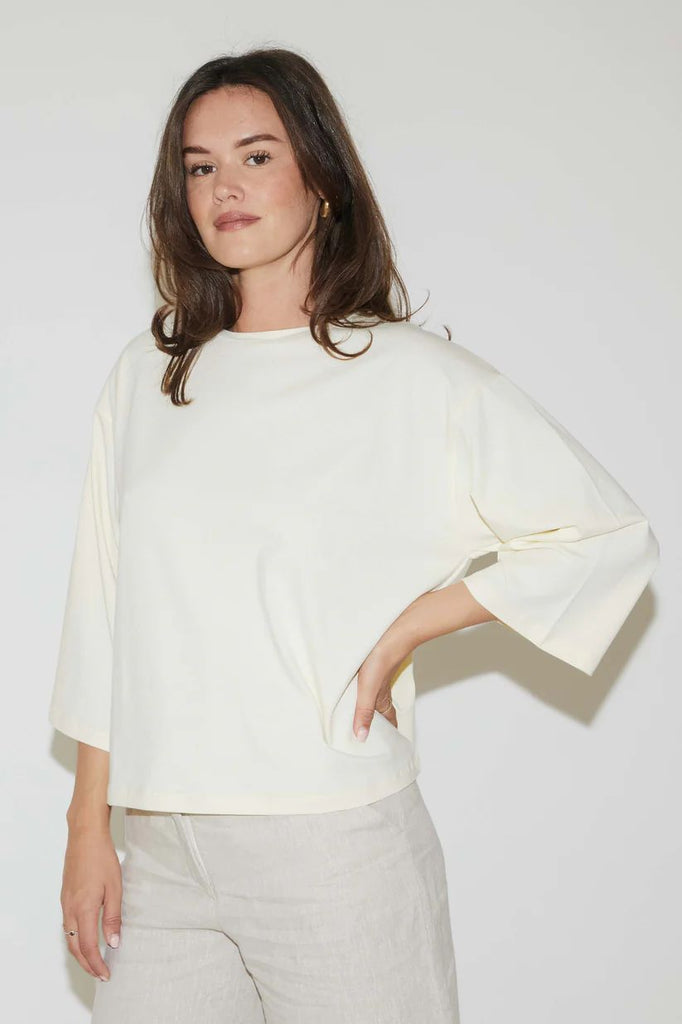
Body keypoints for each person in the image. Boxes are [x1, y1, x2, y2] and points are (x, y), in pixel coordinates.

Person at [49, 48, 660, 1024]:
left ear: (322, 179)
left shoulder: (408, 376)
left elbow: (603, 533)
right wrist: (89, 825)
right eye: (200, 166)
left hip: (330, 844)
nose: (224, 187)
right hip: (160, 849)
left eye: (256, 156)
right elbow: (103, 603)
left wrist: (410, 627)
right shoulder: (150, 377)